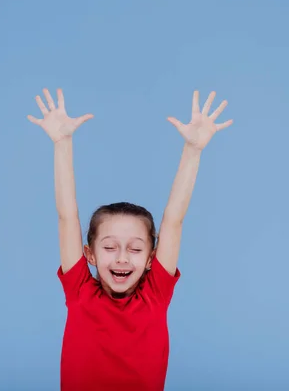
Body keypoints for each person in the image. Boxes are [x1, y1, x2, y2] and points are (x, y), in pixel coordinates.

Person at [27, 88, 233, 390]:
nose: (122, 257)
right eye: (109, 247)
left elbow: (173, 221)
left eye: (135, 249)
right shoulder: (80, 290)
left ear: (152, 257)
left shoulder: (155, 294)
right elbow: (67, 216)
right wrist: (62, 143)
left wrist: (193, 150)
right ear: (90, 254)